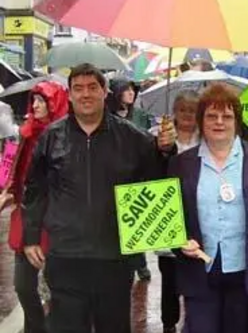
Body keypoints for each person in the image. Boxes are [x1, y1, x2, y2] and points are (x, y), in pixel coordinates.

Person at [22, 63, 176, 333]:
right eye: (78, 88)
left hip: (114, 259)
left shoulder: (132, 138)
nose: (86, 94)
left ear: (105, 92)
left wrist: (165, 151)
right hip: (66, 256)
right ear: (69, 95)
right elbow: (35, 189)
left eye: (93, 87)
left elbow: (157, 181)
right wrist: (31, 236)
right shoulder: (51, 137)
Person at [167, 83, 248, 333]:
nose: (219, 122)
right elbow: (172, 218)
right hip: (199, 273)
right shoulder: (182, 164)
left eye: (227, 116)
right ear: (201, 120)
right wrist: (179, 241)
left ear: (237, 120)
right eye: (211, 116)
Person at [7, 81, 69, 333]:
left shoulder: (66, 138)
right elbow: (8, 166)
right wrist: (6, 190)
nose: (35, 106)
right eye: (34, 101)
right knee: (23, 285)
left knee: (58, 287)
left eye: (42, 101)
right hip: (25, 216)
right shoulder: (23, 132)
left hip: (56, 221)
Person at [156, 90, 200, 333]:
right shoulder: (158, 135)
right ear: (175, 111)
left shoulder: (205, 139)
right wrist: (164, 149)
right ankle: (169, 323)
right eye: (182, 109)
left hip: (195, 217)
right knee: (169, 278)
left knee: (194, 274)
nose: (187, 115)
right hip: (168, 215)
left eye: (192, 110)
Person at [107, 77, 152, 281]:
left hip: (138, 172)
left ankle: (140, 263)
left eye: (132, 90)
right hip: (115, 173)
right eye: (126, 90)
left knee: (136, 221)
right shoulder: (108, 116)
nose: (131, 93)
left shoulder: (141, 115)